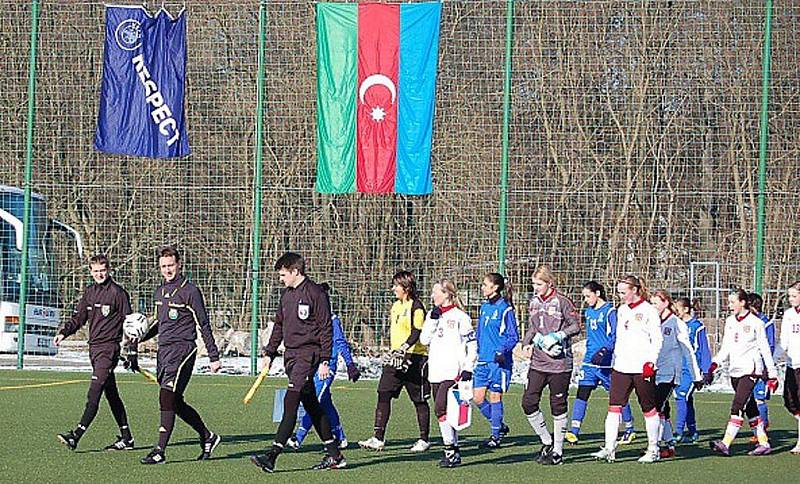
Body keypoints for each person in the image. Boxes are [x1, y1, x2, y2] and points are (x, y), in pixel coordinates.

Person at [251, 252, 346, 472]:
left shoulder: (316, 294)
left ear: (295, 271)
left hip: (308, 355)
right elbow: (279, 326)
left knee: (291, 401)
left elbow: (325, 330)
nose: (281, 278)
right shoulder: (286, 296)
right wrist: (269, 352)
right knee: (312, 405)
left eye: (283, 274)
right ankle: (335, 456)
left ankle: (272, 456)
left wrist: (324, 360)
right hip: (291, 357)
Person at [137, 246, 222, 465]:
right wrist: (137, 338)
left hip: (184, 350)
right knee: (174, 401)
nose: (167, 270)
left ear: (179, 264)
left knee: (166, 396)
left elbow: (203, 323)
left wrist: (214, 356)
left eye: (171, 265)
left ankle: (159, 451)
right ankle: (207, 436)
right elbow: (158, 323)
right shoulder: (159, 292)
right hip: (163, 351)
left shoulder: (190, 291)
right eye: (163, 266)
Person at [55, 254, 135, 451]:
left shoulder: (118, 293)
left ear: (109, 270)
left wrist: (132, 353)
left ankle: (76, 435)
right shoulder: (90, 292)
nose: (100, 274)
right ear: (91, 272)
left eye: (103, 270)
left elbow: (131, 326)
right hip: (94, 349)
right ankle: (127, 438)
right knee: (112, 394)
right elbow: (79, 317)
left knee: (94, 392)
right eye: (96, 271)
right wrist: (64, 332)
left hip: (109, 350)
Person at [591, 275, 663, 463]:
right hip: (621, 366)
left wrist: (651, 362)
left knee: (648, 408)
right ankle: (609, 448)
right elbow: (619, 338)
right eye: (619, 292)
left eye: (624, 292)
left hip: (642, 368)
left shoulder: (649, 311)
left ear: (635, 290)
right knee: (614, 407)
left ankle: (653, 449)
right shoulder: (621, 310)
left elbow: (657, 339)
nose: (621, 295)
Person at [358, 271, 431, 452]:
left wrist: (404, 348)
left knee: (419, 399)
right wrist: (394, 352)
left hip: (415, 357)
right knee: (383, 392)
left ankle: (424, 439)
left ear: (406, 287)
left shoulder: (417, 307)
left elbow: (417, 332)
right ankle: (378, 438)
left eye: (396, 286)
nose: (393, 289)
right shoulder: (395, 306)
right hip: (395, 358)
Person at [287, 283, 361, 450]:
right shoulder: (310, 319)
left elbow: (340, 342)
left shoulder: (332, 320)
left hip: (326, 367)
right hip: (312, 365)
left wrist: (350, 365)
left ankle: (297, 438)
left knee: (314, 401)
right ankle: (340, 437)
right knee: (325, 401)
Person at [706, 288, 778, 457]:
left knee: (738, 405)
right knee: (751, 408)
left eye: (732, 302)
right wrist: (714, 364)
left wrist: (772, 374)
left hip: (751, 370)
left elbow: (765, 349)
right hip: (735, 370)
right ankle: (764, 443)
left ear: (743, 302)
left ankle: (725, 443)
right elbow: (726, 347)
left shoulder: (756, 323)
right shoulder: (730, 321)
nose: (729, 305)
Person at [520, 265, 580, 466]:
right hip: (538, 362)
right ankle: (546, 440)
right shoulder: (534, 302)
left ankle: (558, 451)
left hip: (560, 364)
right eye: (534, 284)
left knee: (558, 406)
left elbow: (575, 326)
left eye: (539, 284)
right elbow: (532, 327)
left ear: (549, 283)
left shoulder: (562, 302)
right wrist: (527, 343)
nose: (535, 287)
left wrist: (558, 336)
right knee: (528, 402)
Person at [565, 281, 636, 446]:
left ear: (597, 293)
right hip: (590, 362)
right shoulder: (589, 312)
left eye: (588, 296)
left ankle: (629, 428)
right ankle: (574, 431)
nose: (586, 300)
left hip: (607, 363)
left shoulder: (610, 312)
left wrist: (604, 351)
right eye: (584, 297)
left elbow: (616, 337)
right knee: (582, 393)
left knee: (618, 396)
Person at [420, 279, 477, 468]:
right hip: (435, 371)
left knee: (440, 408)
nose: (432, 295)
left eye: (436, 292)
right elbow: (424, 339)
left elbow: (472, 344)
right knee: (446, 413)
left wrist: (468, 367)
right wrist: (433, 320)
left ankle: (450, 450)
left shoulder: (460, 317)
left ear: (447, 294)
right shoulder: (432, 314)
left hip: (453, 371)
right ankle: (454, 450)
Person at [649, 290, 701, 459]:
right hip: (654, 372)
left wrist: (696, 376)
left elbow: (688, 351)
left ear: (665, 303)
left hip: (669, 374)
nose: (652, 306)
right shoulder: (653, 322)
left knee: (655, 407)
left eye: (655, 303)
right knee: (662, 409)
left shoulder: (677, 324)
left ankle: (654, 447)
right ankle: (669, 445)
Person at [473, 273, 518, 448]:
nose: (482, 287)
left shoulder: (505, 309)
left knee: (494, 396)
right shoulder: (484, 308)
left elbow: (513, 336)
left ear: (495, 288)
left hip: (499, 362)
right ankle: (498, 425)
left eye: (485, 284)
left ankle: (495, 437)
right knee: (477, 398)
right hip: (483, 359)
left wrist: (502, 351)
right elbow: (479, 333)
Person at [672, 297, 711, 443]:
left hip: (691, 369)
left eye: (678, 309)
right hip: (677, 367)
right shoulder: (675, 324)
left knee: (681, 396)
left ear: (686, 309)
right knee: (686, 399)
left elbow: (704, 349)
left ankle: (679, 432)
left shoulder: (696, 326)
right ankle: (693, 432)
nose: (675, 312)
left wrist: (706, 370)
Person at [748, 292, 776, 443]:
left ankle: (763, 429)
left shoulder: (766, 323)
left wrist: (767, 367)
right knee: (749, 400)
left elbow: (770, 346)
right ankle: (756, 430)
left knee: (759, 399)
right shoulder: (747, 322)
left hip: (762, 368)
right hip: (748, 368)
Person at [779, 281, 800, 454]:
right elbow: (784, 341)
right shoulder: (788, 315)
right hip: (791, 364)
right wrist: (771, 359)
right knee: (789, 401)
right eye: (790, 296)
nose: (791, 299)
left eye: (794, 295)